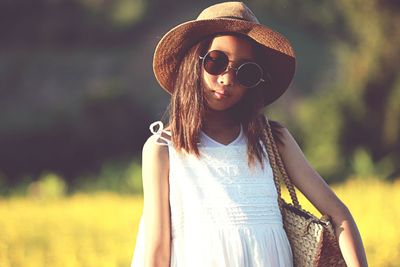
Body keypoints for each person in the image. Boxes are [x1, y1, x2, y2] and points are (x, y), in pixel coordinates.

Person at [131, 2, 368, 267]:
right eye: (216, 61)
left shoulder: (273, 139)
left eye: (246, 71)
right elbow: (156, 248)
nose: (227, 79)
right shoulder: (163, 148)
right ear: (192, 63)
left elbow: (339, 215)